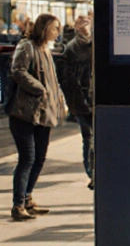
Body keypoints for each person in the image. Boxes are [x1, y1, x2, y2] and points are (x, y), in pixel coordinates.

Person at [8, 14, 66, 221]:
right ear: (44, 28)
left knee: (39, 158)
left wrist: (60, 100)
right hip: (25, 113)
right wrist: (40, 88)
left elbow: (54, 80)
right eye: (55, 28)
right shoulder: (27, 47)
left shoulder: (45, 50)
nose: (57, 32)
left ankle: (28, 198)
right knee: (27, 159)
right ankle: (18, 204)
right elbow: (18, 71)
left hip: (44, 113)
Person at [60, 15, 94, 188]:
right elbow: (68, 79)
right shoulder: (72, 48)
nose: (86, 26)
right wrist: (75, 104)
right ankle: (93, 174)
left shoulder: (97, 43)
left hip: (94, 98)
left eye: (88, 22)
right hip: (82, 100)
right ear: (77, 27)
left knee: (94, 137)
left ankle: (95, 173)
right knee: (88, 137)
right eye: (83, 23)